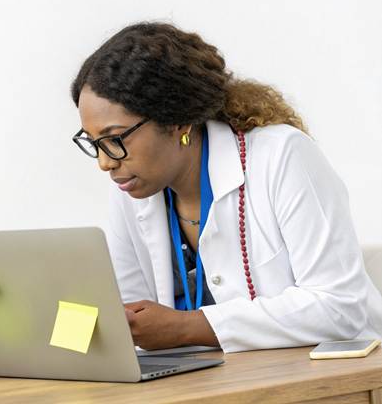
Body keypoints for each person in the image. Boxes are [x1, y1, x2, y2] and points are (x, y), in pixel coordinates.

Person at [70, 22, 382, 352]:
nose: (105, 162)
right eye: (93, 143)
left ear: (177, 120)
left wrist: (188, 327)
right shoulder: (134, 189)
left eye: (115, 139)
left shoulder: (281, 157)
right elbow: (129, 320)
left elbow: (340, 307)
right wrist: (61, 329)